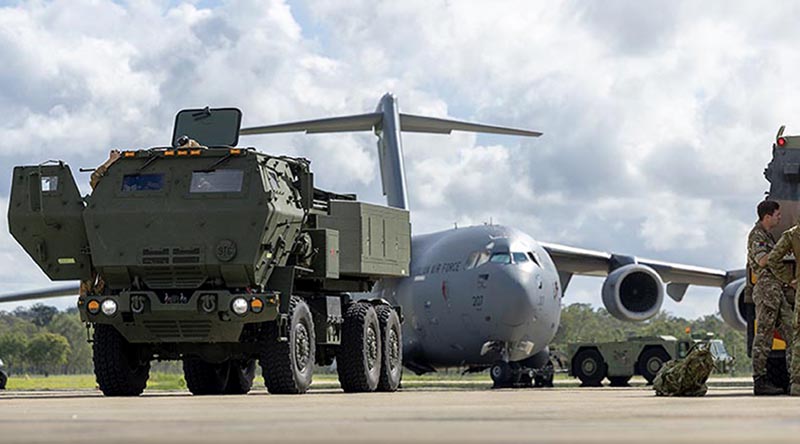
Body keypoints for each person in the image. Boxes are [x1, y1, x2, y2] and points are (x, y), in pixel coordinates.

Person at [748, 200, 793, 395]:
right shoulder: (757, 235)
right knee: (764, 337)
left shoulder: (767, 236)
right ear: (767, 216)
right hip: (766, 290)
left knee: (793, 331)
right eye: (777, 215)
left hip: (777, 290)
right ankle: (760, 381)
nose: (779, 217)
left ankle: (795, 378)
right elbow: (763, 260)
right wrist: (782, 248)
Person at [767, 210, 800, 397]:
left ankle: (797, 384)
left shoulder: (793, 234)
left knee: (798, 339)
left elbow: (772, 260)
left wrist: (790, 280)